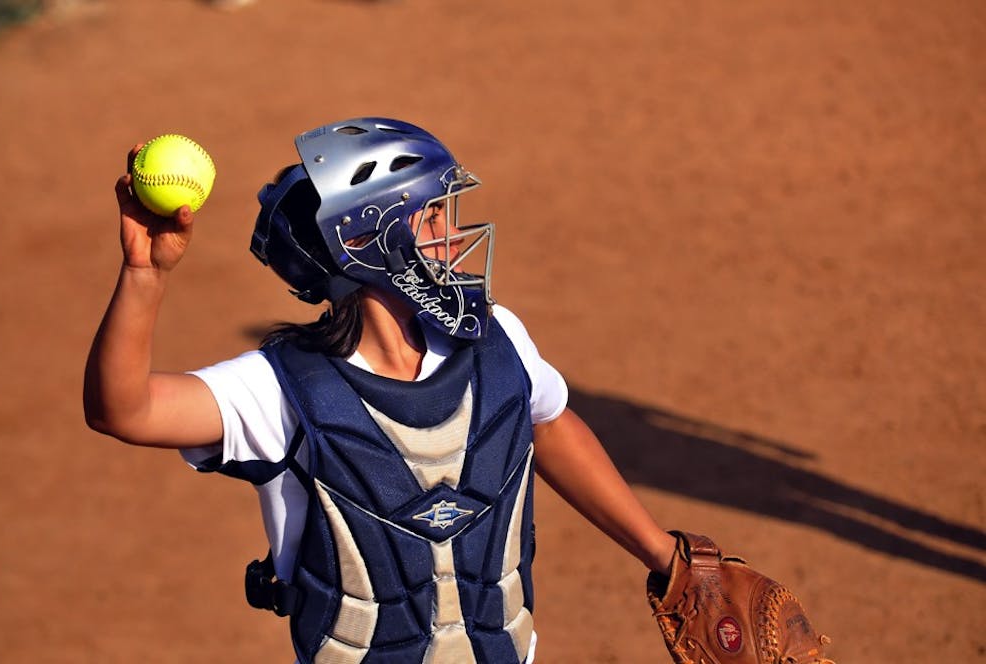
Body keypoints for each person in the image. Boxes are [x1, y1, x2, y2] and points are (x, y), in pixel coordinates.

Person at [81, 117, 693, 663]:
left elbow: (549, 423)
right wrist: (144, 274)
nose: (455, 236)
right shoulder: (278, 387)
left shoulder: (497, 341)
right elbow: (123, 410)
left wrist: (665, 557)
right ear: (372, 240)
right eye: (434, 215)